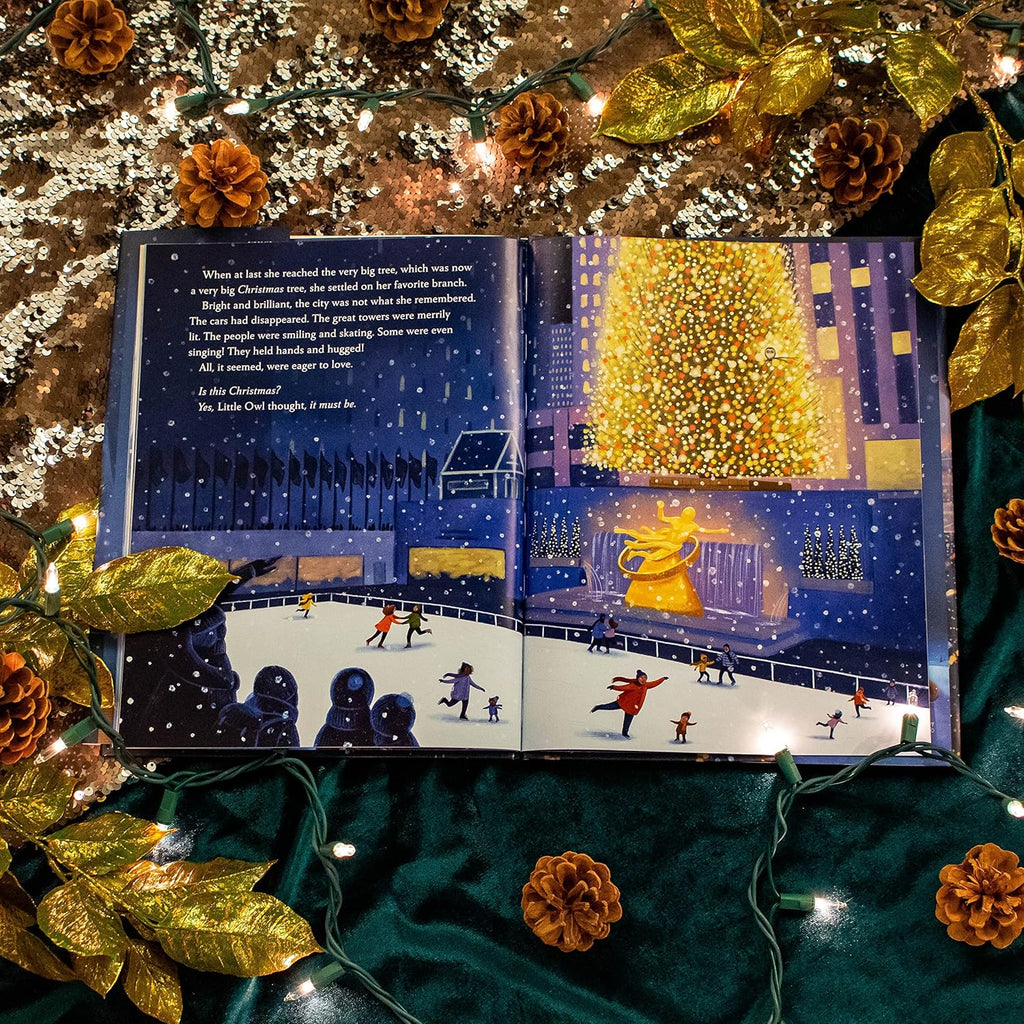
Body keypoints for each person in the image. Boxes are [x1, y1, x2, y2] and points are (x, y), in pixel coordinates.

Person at [590, 668, 668, 738]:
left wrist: (662, 679)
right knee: (609, 706)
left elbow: (655, 683)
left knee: (628, 721)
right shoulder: (633, 685)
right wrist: (614, 687)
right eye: (641, 678)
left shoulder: (646, 685)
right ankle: (598, 707)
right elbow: (623, 688)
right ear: (637, 678)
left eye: (645, 678)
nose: (643, 679)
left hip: (632, 707)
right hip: (623, 702)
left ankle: (625, 733)